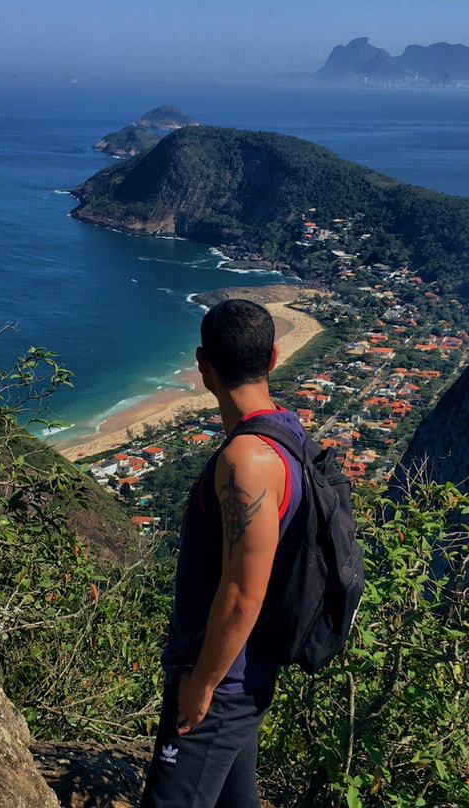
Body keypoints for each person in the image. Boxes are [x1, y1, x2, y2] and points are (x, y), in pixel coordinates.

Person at [140, 298, 307, 808]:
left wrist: (203, 685)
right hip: (245, 673)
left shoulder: (246, 461)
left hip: (221, 681)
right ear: (274, 357)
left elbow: (240, 594)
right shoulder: (288, 430)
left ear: (202, 364)